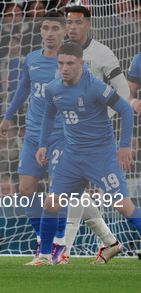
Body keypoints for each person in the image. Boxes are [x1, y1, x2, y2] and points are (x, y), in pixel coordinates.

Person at [32, 42, 141, 265]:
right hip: (71, 156)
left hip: (101, 156)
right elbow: (49, 116)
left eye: (70, 63)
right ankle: (43, 256)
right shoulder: (53, 88)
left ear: (81, 64)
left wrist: (124, 146)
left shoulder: (94, 86)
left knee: (123, 205)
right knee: (51, 203)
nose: (65, 68)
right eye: (61, 63)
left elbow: (126, 109)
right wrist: (43, 145)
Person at [0, 11, 70, 265]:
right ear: (40, 31)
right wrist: (7, 117)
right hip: (33, 133)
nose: (49, 32)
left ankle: (59, 247)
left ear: (64, 32)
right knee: (26, 189)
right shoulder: (31, 59)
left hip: (61, 134)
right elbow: (24, 88)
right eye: (45, 27)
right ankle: (44, 242)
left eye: (54, 28)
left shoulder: (70, 62)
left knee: (56, 194)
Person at [62, 5, 129, 262]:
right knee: (71, 191)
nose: (72, 27)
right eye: (69, 22)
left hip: (95, 139)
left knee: (115, 198)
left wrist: (100, 118)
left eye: (78, 22)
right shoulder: (60, 51)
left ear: (88, 25)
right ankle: (109, 243)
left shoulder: (102, 54)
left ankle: (63, 251)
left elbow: (123, 92)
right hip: (66, 133)